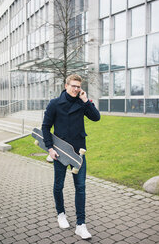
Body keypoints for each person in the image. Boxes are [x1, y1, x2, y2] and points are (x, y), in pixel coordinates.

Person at [42, 74, 100, 239]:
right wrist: (49, 148)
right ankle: (61, 214)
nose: (76, 89)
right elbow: (46, 127)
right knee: (58, 185)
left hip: (79, 152)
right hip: (60, 152)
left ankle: (81, 225)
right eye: (73, 85)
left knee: (80, 188)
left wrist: (86, 101)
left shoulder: (81, 103)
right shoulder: (55, 104)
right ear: (66, 85)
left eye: (78, 86)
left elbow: (96, 117)